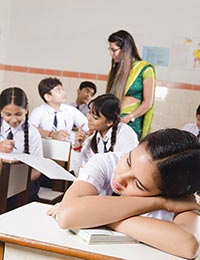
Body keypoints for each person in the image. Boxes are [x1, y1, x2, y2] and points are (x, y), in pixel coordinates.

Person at [48, 128, 200, 259]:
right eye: (128, 161)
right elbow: (68, 216)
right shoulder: (106, 163)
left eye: (138, 184)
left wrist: (93, 215)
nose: (120, 177)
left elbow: (188, 245)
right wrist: (162, 203)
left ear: (167, 193)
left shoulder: (183, 198)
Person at [106, 30, 156, 140]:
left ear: (125, 49)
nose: (111, 54)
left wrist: (128, 118)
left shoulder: (145, 69)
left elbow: (147, 103)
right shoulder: (116, 70)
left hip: (132, 123)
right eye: (110, 49)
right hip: (114, 120)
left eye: (114, 50)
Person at [71, 93, 138, 175]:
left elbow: (127, 169)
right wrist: (77, 148)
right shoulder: (92, 139)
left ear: (109, 122)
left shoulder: (126, 134)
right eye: (89, 113)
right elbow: (78, 173)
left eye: (95, 118)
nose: (89, 119)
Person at [0, 87, 43, 204]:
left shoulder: (32, 133)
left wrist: (14, 184)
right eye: (7, 114)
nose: (13, 120)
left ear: (26, 109)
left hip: (22, 187)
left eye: (18, 114)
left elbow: (37, 170)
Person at [29, 77, 89, 141]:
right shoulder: (39, 111)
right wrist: (52, 134)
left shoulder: (71, 110)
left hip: (65, 147)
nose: (63, 93)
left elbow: (88, 126)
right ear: (48, 97)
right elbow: (29, 130)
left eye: (62, 89)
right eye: (58, 90)